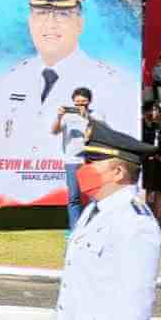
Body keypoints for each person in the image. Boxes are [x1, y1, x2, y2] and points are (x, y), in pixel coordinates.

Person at [53, 120, 161, 320]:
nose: (84, 168)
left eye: (92, 161)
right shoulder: (95, 210)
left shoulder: (135, 224)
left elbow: (135, 301)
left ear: (117, 171)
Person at [0, 0, 134, 161]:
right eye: (41, 12)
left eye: (62, 14)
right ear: (30, 20)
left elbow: (123, 165)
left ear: (79, 23)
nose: (50, 23)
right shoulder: (11, 79)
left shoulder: (111, 85)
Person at [51, 87, 101, 235]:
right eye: (77, 102)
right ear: (73, 101)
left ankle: (93, 227)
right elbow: (54, 131)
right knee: (74, 197)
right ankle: (75, 229)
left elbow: (101, 130)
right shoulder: (67, 116)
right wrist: (59, 117)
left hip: (91, 160)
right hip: (72, 161)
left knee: (95, 196)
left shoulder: (96, 115)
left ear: (89, 102)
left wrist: (87, 117)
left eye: (84, 103)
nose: (80, 105)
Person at [141, 102, 161, 220]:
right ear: (145, 112)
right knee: (146, 191)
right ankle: (145, 219)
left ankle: (156, 219)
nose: (155, 112)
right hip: (147, 163)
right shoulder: (141, 127)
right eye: (153, 110)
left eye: (157, 110)